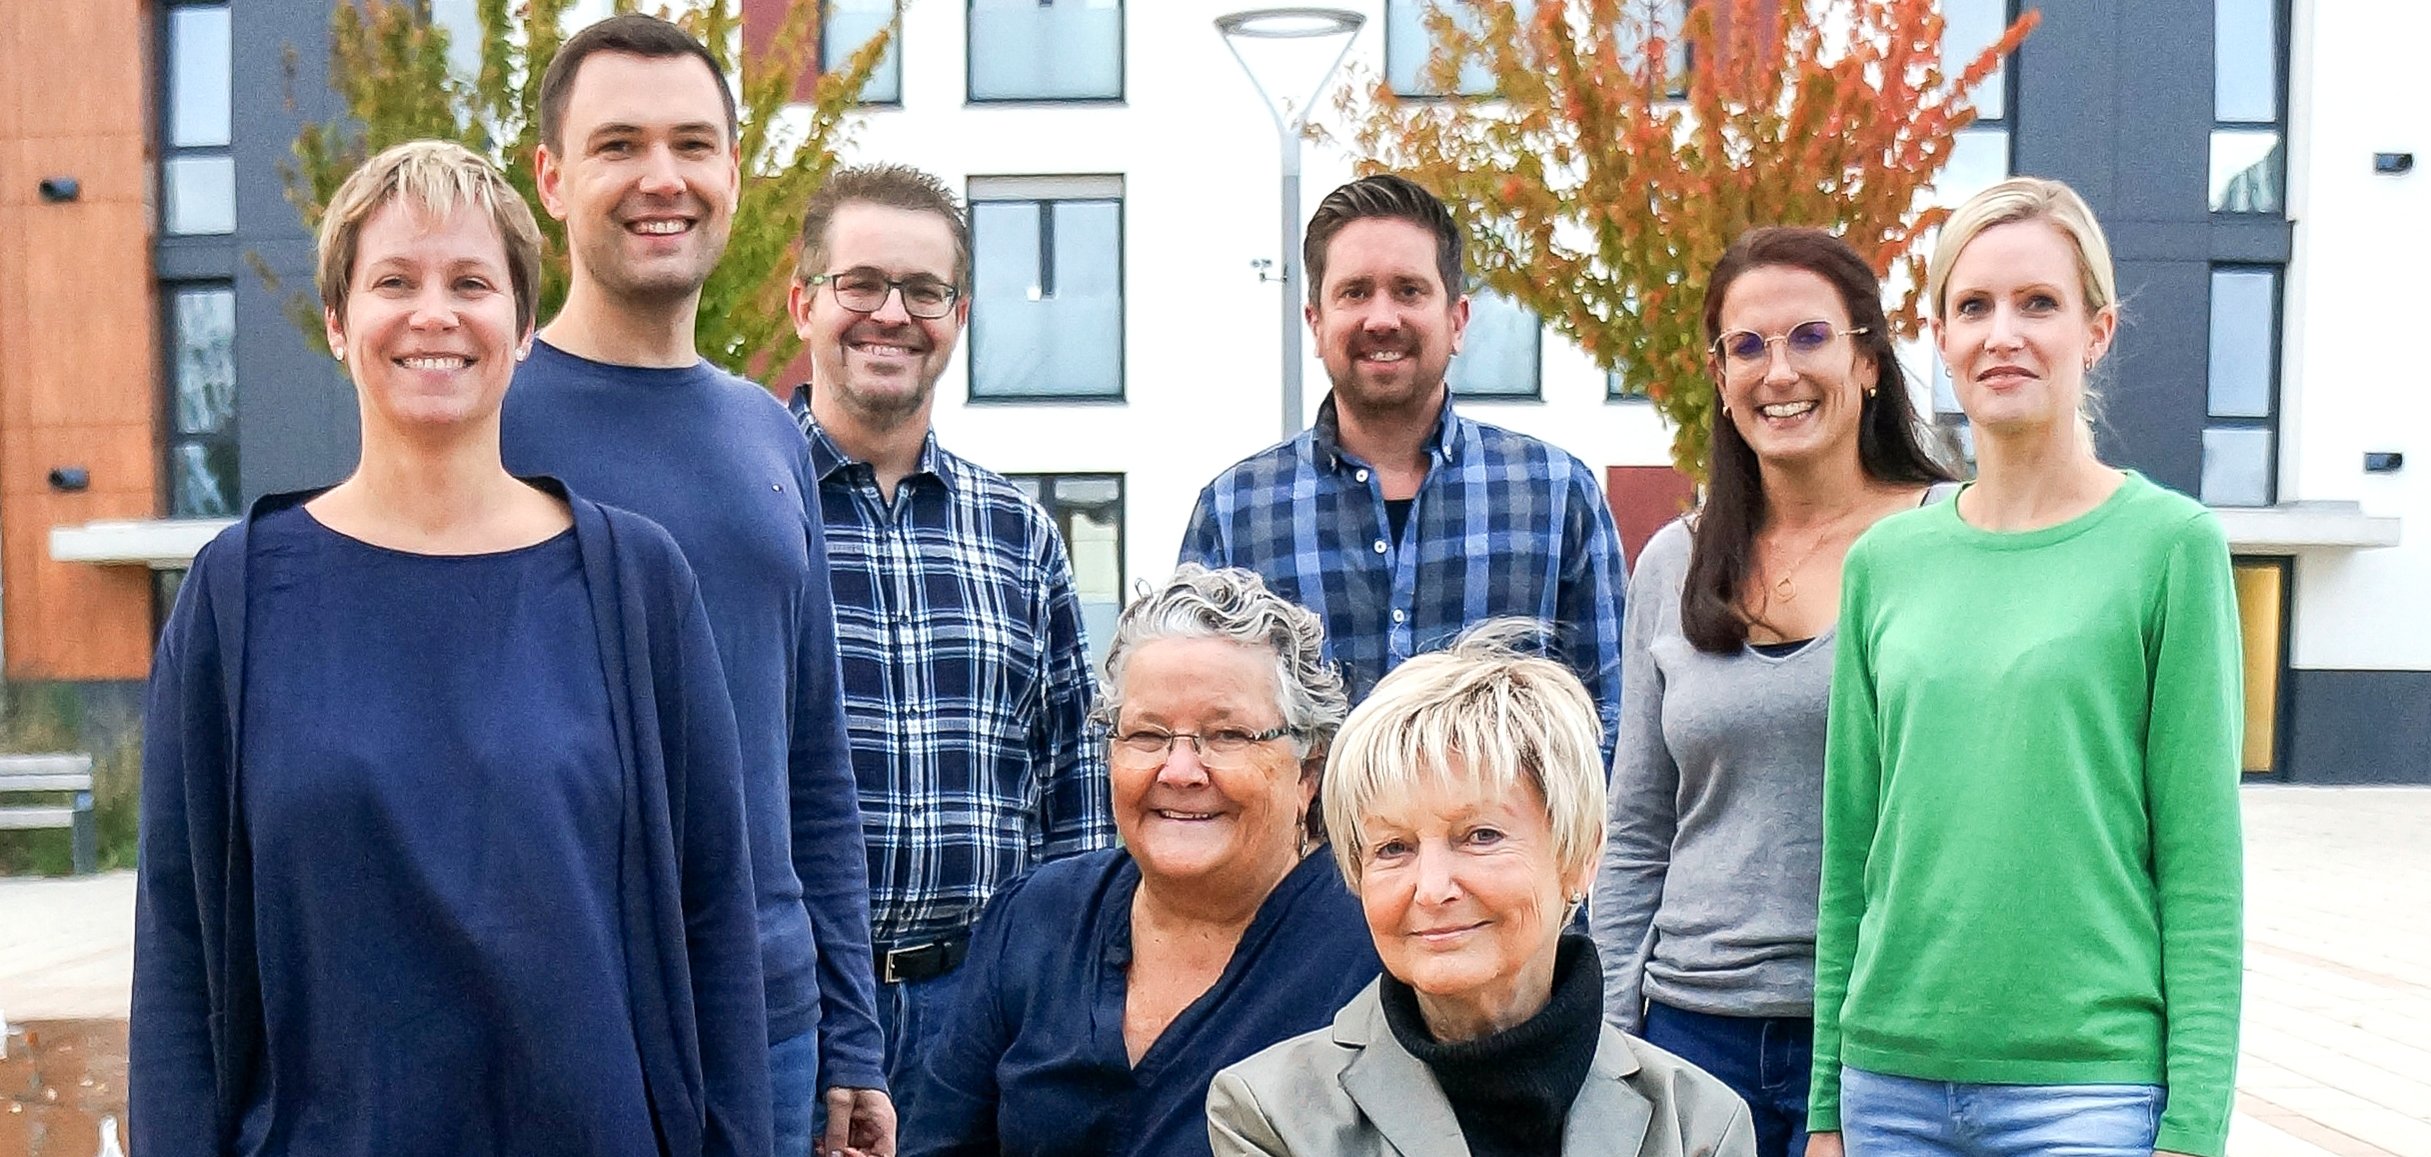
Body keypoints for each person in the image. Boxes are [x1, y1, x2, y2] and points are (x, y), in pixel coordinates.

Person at [129, 140, 768, 1156]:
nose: (434, 313)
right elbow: (177, 948)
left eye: (471, 282)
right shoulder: (236, 595)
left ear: (523, 326)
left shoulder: (639, 586)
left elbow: (716, 921)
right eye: (395, 281)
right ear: (338, 322)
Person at [496, 15, 887, 1155]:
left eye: (692, 145)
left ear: (733, 170)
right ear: (552, 178)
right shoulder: (491, 420)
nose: (661, 178)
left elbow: (813, 763)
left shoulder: (771, 434)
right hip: (561, 1016)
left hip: (767, 1025)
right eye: (618, 145)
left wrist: (851, 1038)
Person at [1808, 177, 2244, 1157]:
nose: (2001, 333)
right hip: (1888, 1087)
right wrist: (1826, 1105)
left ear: (2096, 330)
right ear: (1940, 338)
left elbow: (2201, 869)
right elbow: (1850, 854)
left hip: (2087, 1094)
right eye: (1973, 307)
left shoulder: (2169, 546)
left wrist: (2193, 1130)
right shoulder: (1885, 562)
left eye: (2037, 303)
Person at [1590, 227, 1955, 1157]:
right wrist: (1613, 1035)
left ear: (1867, 361)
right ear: (1719, 378)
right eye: (1746, 346)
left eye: (1809, 337)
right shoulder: (1672, 562)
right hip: (1690, 1030)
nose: (1777, 371)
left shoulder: (1947, 544)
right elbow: (1636, 827)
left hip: (1883, 1035)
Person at [784, 163, 1115, 1111]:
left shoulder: (1018, 533)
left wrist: (1066, 999)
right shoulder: (746, 509)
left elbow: (1073, 789)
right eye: (860, 284)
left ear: (958, 316)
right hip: (792, 1008)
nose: (891, 314)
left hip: (979, 1013)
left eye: (924, 291)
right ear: (804, 302)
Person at [1210, 626, 1755, 1157]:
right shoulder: (1272, 1114)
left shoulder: (1696, 1125)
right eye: (1394, 847)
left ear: (1580, 855)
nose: (1431, 889)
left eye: (1480, 836)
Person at [902, 565, 1381, 1157]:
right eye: (1147, 735)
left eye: (1228, 735)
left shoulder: (1374, 943)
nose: (1179, 771)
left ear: (1308, 771)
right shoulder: (1037, 916)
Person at [1178, 174, 1628, 764]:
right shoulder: (1237, 512)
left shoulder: (1555, 496)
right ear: (1316, 323)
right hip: (1305, 831)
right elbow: (1195, 727)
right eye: (1355, 292)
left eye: (1409, 291)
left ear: (1457, 320)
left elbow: (1612, 729)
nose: (1382, 318)